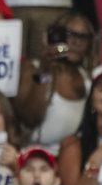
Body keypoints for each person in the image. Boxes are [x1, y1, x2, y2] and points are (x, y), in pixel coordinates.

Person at [15, 11, 96, 154]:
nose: (76, 42)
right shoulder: (33, 69)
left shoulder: (88, 78)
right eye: (70, 35)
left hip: (70, 157)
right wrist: (46, 71)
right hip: (35, 157)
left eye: (83, 37)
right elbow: (30, 119)